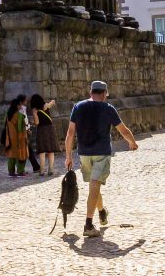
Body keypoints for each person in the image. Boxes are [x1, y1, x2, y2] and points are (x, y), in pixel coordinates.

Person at [64, 80, 139, 237]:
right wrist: (132, 143)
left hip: (84, 154)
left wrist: (68, 157)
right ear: (104, 94)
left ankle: (101, 211)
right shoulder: (108, 108)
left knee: (93, 186)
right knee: (94, 186)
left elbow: (70, 133)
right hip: (102, 153)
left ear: (91, 92)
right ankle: (88, 225)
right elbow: (123, 131)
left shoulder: (78, 107)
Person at [29, 94, 58, 176]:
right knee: (50, 150)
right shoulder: (45, 105)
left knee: (42, 150)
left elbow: (37, 123)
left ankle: (42, 171)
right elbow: (53, 102)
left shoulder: (34, 110)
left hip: (41, 129)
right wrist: (51, 103)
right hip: (50, 128)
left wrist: (34, 117)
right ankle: (51, 170)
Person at [4, 97, 29, 177]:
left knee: (12, 155)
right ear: (16, 106)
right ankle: (20, 171)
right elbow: (21, 128)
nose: (21, 106)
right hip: (19, 138)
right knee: (21, 154)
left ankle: (11, 171)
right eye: (20, 105)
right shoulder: (20, 116)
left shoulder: (7, 115)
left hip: (10, 138)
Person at [16, 94, 41, 173]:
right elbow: (23, 122)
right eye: (25, 100)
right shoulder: (20, 110)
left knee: (28, 150)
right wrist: (27, 129)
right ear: (22, 101)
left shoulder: (23, 109)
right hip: (22, 133)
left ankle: (35, 167)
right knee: (25, 151)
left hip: (24, 132)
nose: (27, 102)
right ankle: (32, 167)